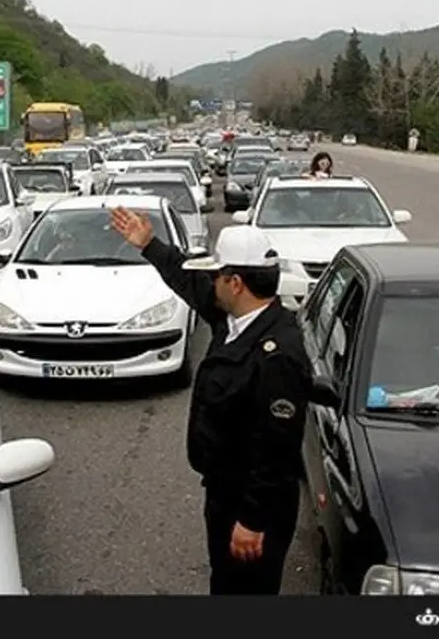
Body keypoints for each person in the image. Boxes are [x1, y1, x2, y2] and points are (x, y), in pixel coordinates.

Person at [109, 208, 312, 595]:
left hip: (252, 508)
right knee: (225, 583)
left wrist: (252, 520)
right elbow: (190, 283)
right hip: (224, 492)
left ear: (235, 282)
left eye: (215, 274)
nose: (209, 282)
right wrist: (150, 246)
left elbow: (276, 449)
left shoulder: (277, 354)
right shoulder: (236, 319)